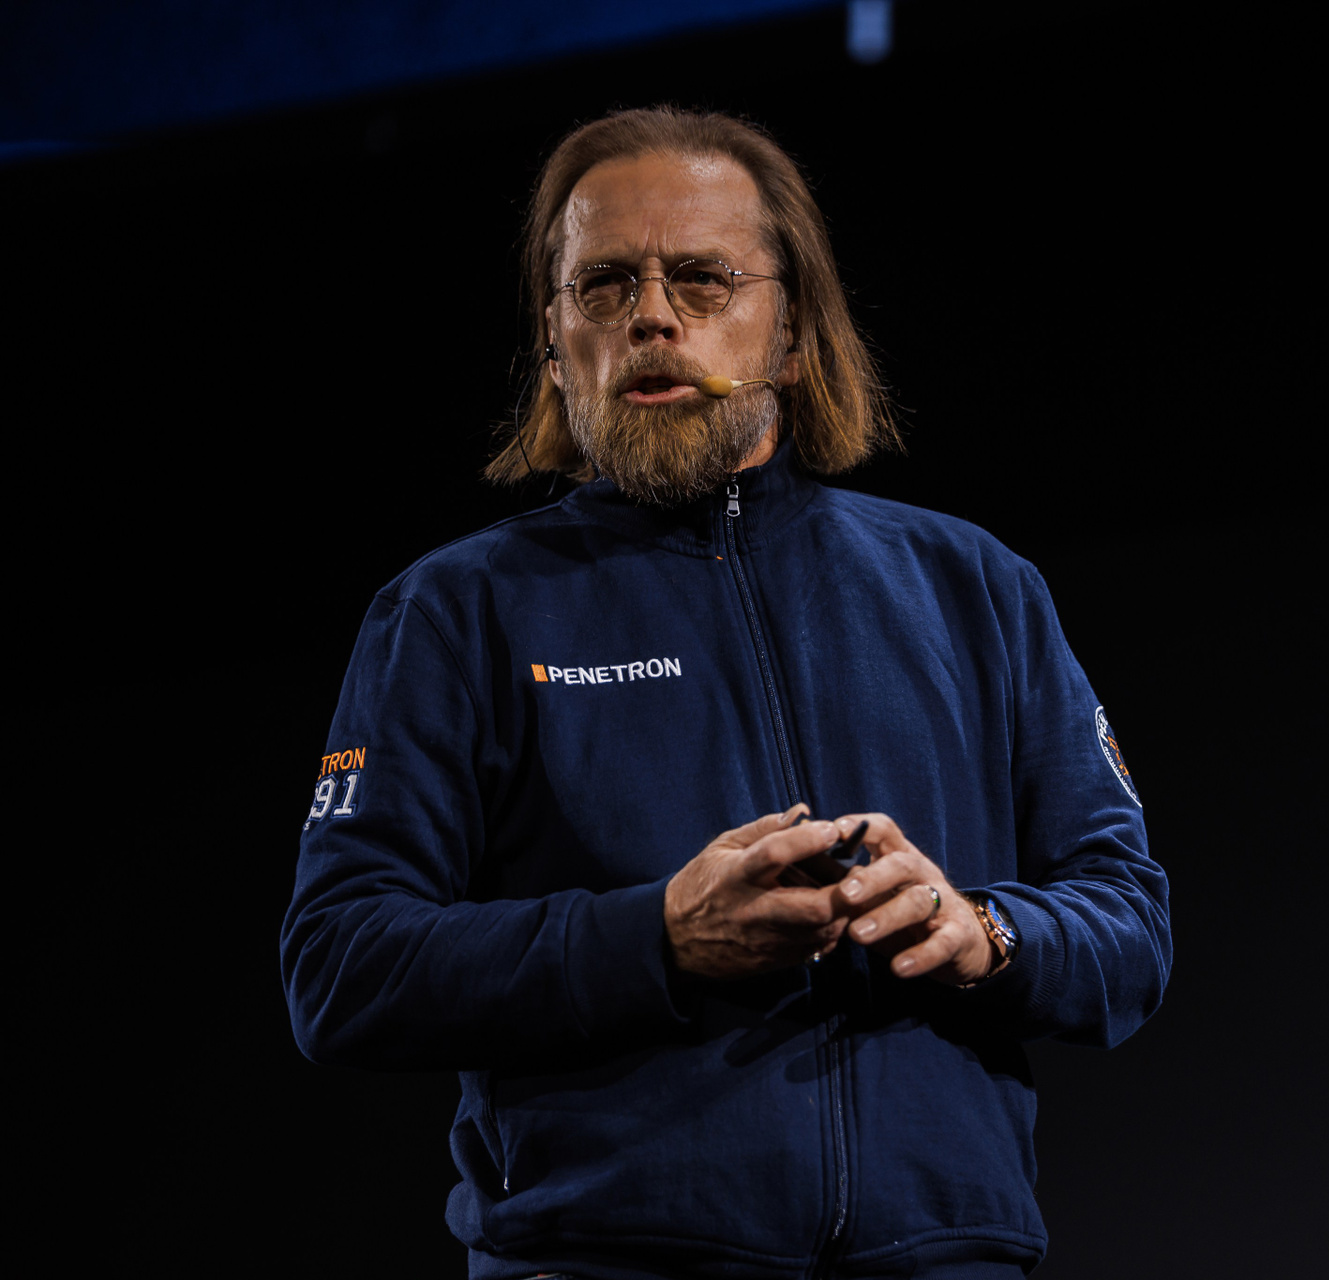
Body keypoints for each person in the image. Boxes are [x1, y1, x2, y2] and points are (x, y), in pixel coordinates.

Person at [281, 106, 1171, 1280]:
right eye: (603, 285)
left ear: (794, 331)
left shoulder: (976, 587)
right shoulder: (457, 610)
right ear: (555, 343)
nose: (650, 316)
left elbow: (1128, 924)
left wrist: (981, 929)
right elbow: (341, 964)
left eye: (702, 279)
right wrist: (656, 936)